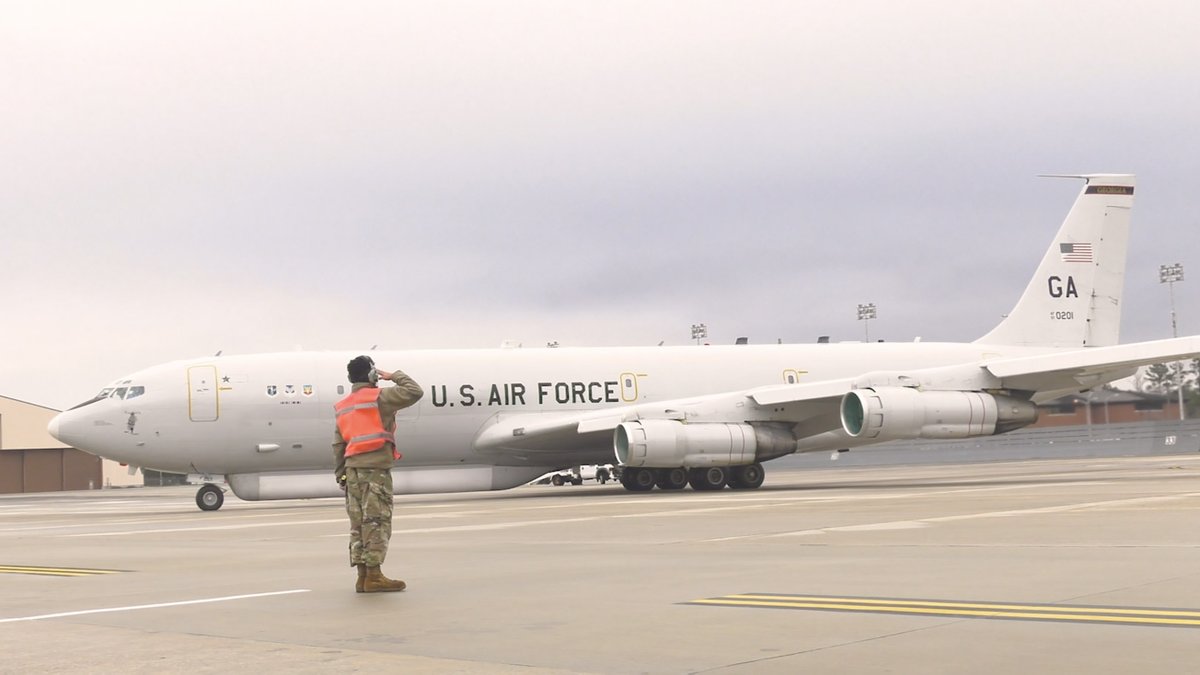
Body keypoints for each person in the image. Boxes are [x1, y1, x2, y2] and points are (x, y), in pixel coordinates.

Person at [333, 355, 423, 593]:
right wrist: (394, 376)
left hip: (352, 471)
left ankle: (362, 576)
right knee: (377, 520)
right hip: (375, 471)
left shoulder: (343, 405)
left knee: (358, 523)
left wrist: (341, 474)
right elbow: (415, 391)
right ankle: (374, 576)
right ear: (373, 375)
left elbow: (338, 444)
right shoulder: (380, 398)